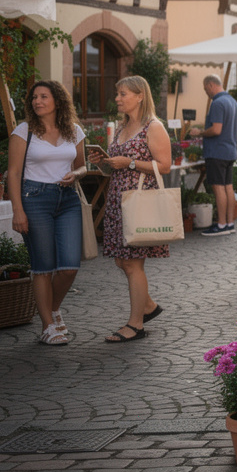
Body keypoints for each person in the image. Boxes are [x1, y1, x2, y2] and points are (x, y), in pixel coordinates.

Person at [89, 76, 168, 343]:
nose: (117, 98)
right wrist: (105, 162)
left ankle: (136, 325)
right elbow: (117, 166)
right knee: (121, 260)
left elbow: (165, 165)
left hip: (139, 198)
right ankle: (148, 306)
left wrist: (130, 163)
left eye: (123, 93)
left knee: (133, 263)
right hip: (118, 198)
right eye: (117, 93)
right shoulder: (123, 126)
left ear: (140, 96)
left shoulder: (153, 127)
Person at [8, 81, 87, 345]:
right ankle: (47, 326)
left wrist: (74, 174)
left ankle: (52, 309)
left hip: (67, 200)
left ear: (58, 101)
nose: (37, 101)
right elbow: (15, 173)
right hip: (34, 199)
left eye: (43, 96)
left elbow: (83, 167)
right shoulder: (23, 131)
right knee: (43, 266)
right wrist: (17, 210)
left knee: (69, 266)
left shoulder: (73, 131)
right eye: (34, 97)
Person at [191, 74, 237, 236]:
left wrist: (200, 133)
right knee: (228, 187)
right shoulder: (234, 102)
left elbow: (216, 129)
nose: (207, 93)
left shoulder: (217, 103)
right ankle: (230, 223)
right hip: (230, 150)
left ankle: (220, 225)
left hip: (217, 151)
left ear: (211, 85)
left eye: (206, 89)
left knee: (218, 188)